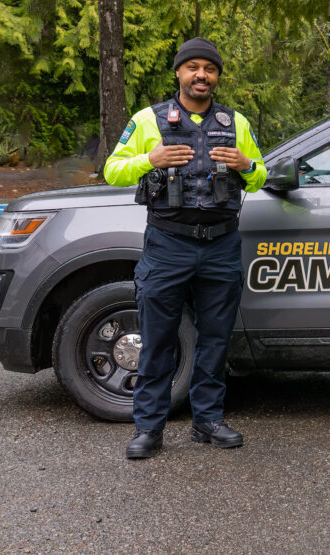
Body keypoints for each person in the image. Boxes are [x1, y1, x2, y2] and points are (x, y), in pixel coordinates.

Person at [104, 37, 267, 459]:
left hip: (221, 244)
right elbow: (112, 171)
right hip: (168, 244)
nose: (201, 75)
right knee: (157, 339)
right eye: (193, 67)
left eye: (209, 69)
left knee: (215, 338)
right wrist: (150, 160)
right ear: (178, 72)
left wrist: (246, 165)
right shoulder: (148, 120)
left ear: (217, 76)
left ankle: (208, 421)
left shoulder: (236, 123)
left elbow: (260, 175)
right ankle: (149, 428)